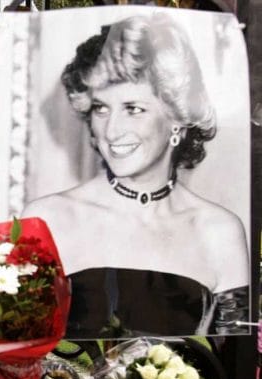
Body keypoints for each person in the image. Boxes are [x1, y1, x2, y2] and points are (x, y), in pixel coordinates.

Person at [23, 14, 249, 338]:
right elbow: (12, 360)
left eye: (133, 108)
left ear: (177, 117)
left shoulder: (221, 232)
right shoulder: (46, 219)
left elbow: (234, 367)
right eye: (101, 108)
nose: (112, 130)